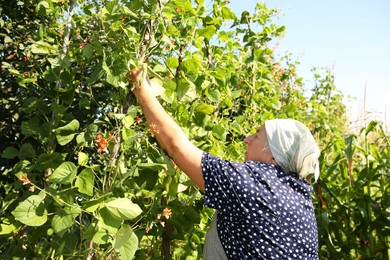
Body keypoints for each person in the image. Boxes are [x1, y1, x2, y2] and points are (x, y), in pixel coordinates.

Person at [129, 67, 320, 259]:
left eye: (257, 135)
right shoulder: (300, 195)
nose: (247, 138)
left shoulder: (253, 183)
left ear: (274, 156)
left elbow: (176, 147)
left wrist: (141, 89)